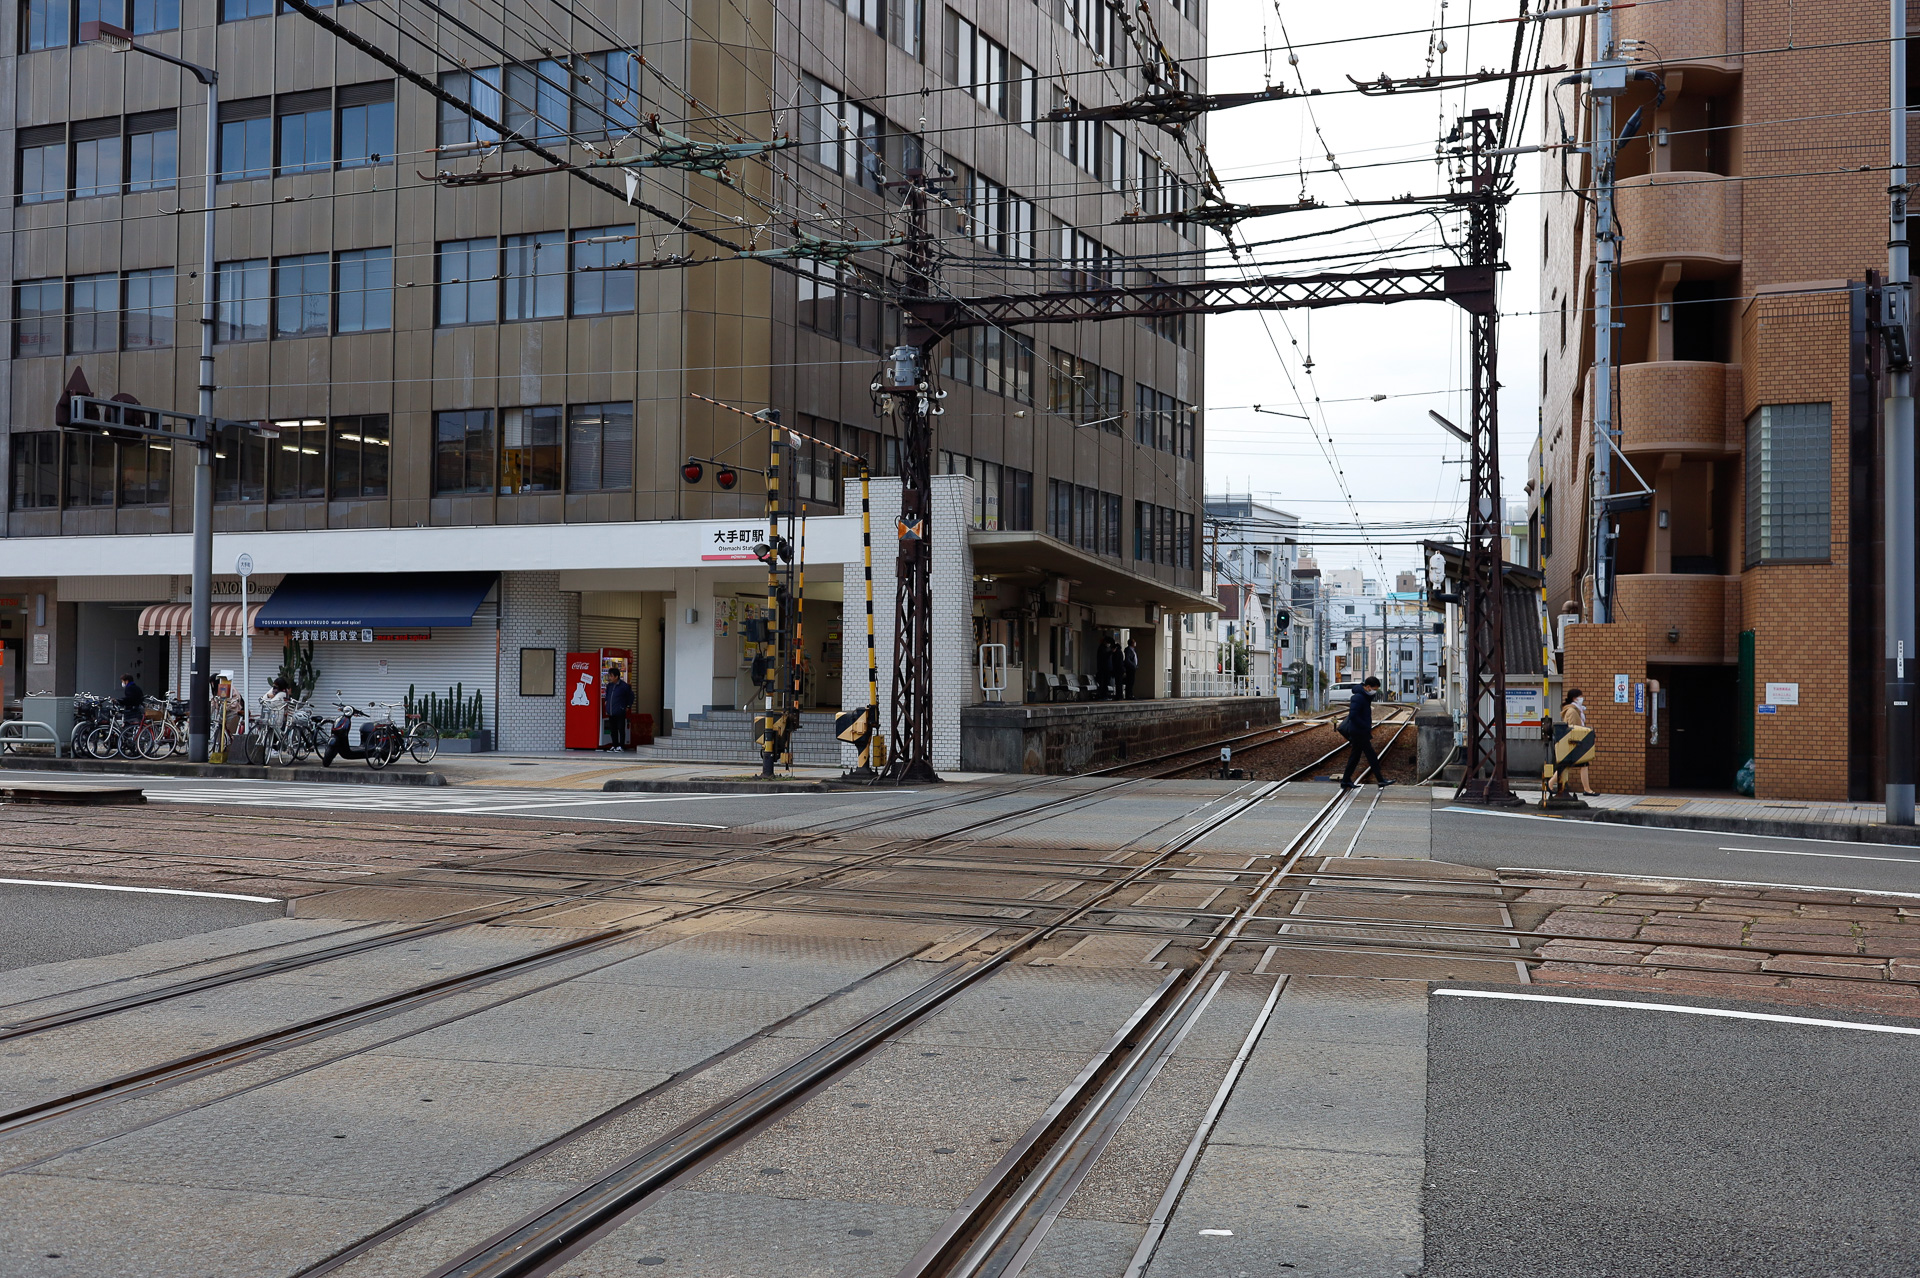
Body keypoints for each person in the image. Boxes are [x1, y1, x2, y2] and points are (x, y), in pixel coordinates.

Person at [1339, 675, 1394, 789]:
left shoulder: (1364, 696)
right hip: (1359, 732)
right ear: (1368, 687)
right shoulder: (1358, 697)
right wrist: (1364, 726)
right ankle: (1380, 780)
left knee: (1356, 757)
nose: (1375, 692)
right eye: (1374, 689)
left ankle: (1345, 780)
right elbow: (1353, 715)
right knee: (1371, 756)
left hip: (1360, 731)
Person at [1551, 688, 1598, 796]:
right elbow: (1572, 728)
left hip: (1576, 741)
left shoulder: (1576, 710)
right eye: (1580, 696)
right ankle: (1587, 789)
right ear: (1574, 698)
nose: (1582, 698)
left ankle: (1550, 784)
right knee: (1572, 764)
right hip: (1574, 742)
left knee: (1573, 764)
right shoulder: (1572, 711)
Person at [602, 668, 634, 751]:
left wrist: (628, 706)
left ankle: (621, 745)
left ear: (616, 677)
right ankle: (615, 744)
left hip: (620, 710)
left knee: (621, 728)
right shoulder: (609, 685)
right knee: (613, 729)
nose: (609, 677)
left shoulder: (624, 686)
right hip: (611, 711)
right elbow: (607, 696)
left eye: (611, 676)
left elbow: (631, 696)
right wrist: (606, 702)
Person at [1095, 635, 1117, 700]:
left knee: (1106, 683)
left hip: (1107, 669)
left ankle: (1105, 695)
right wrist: (1111, 652)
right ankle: (1102, 696)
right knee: (1103, 683)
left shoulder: (1107, 648)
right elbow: (1104, 657)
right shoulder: (1102, 648)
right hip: (1103, 669)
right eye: (1108, 643)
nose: (1109, 645)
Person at [1123, 635, 1141, 700]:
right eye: (1134, 642)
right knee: (1129, 682)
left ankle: (1130, 694)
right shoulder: (1128, 650)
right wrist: (1133, 665)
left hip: (1133, 668)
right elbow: (1127, 659)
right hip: (1130, 668)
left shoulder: (1132, 650)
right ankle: (1128, 695)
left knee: (1131, 682)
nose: (1135, 643)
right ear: (1132, 643)